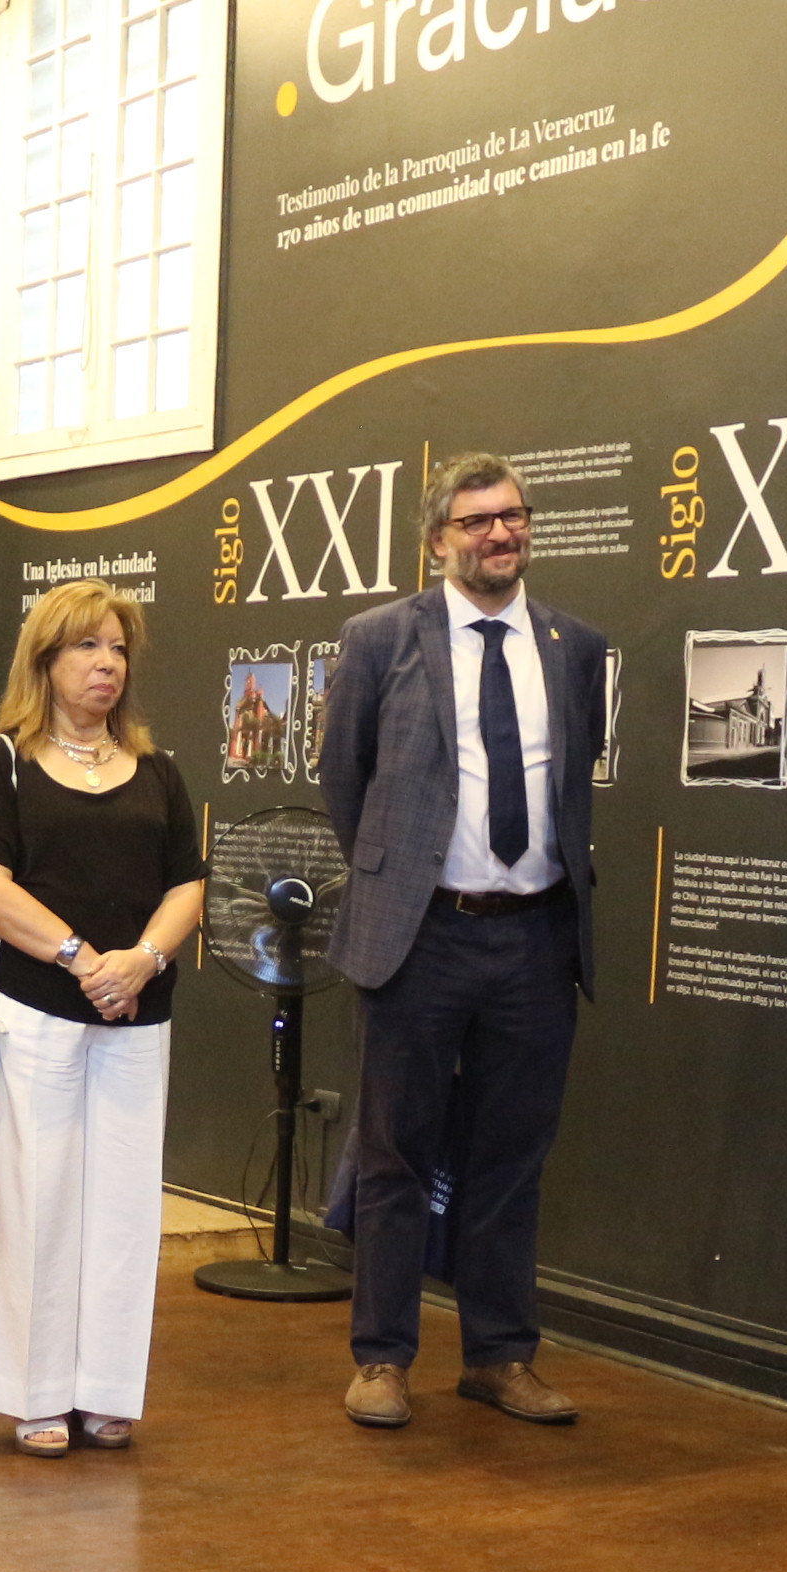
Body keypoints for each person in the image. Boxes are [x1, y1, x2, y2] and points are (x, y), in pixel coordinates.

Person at [316, 453, 608, 1430]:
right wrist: (401, 881)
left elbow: (573, 781)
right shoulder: (378, 639)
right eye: (477, 521)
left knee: (512, 1157)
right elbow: (345, 779)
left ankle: (500, 1356)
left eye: (513, 516)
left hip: (536, 939)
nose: (500, 534)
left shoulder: (574, 646)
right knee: (395, 1154)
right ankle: (382, 1359)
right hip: (422, 936)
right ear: (438, 539)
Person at [0, 584, 205, 1456]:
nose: (107, 664)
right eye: (87, 647)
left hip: (139, 1008)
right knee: (38, 1197)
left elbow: (187, 885)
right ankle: (35, 1391)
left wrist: (142, 961)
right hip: (36, 1007)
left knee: (125, 1205)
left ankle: (104, 1392)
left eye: (118, 649)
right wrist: (83, 959)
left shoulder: (158, 769)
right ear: (46, 659)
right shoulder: (1, 762)